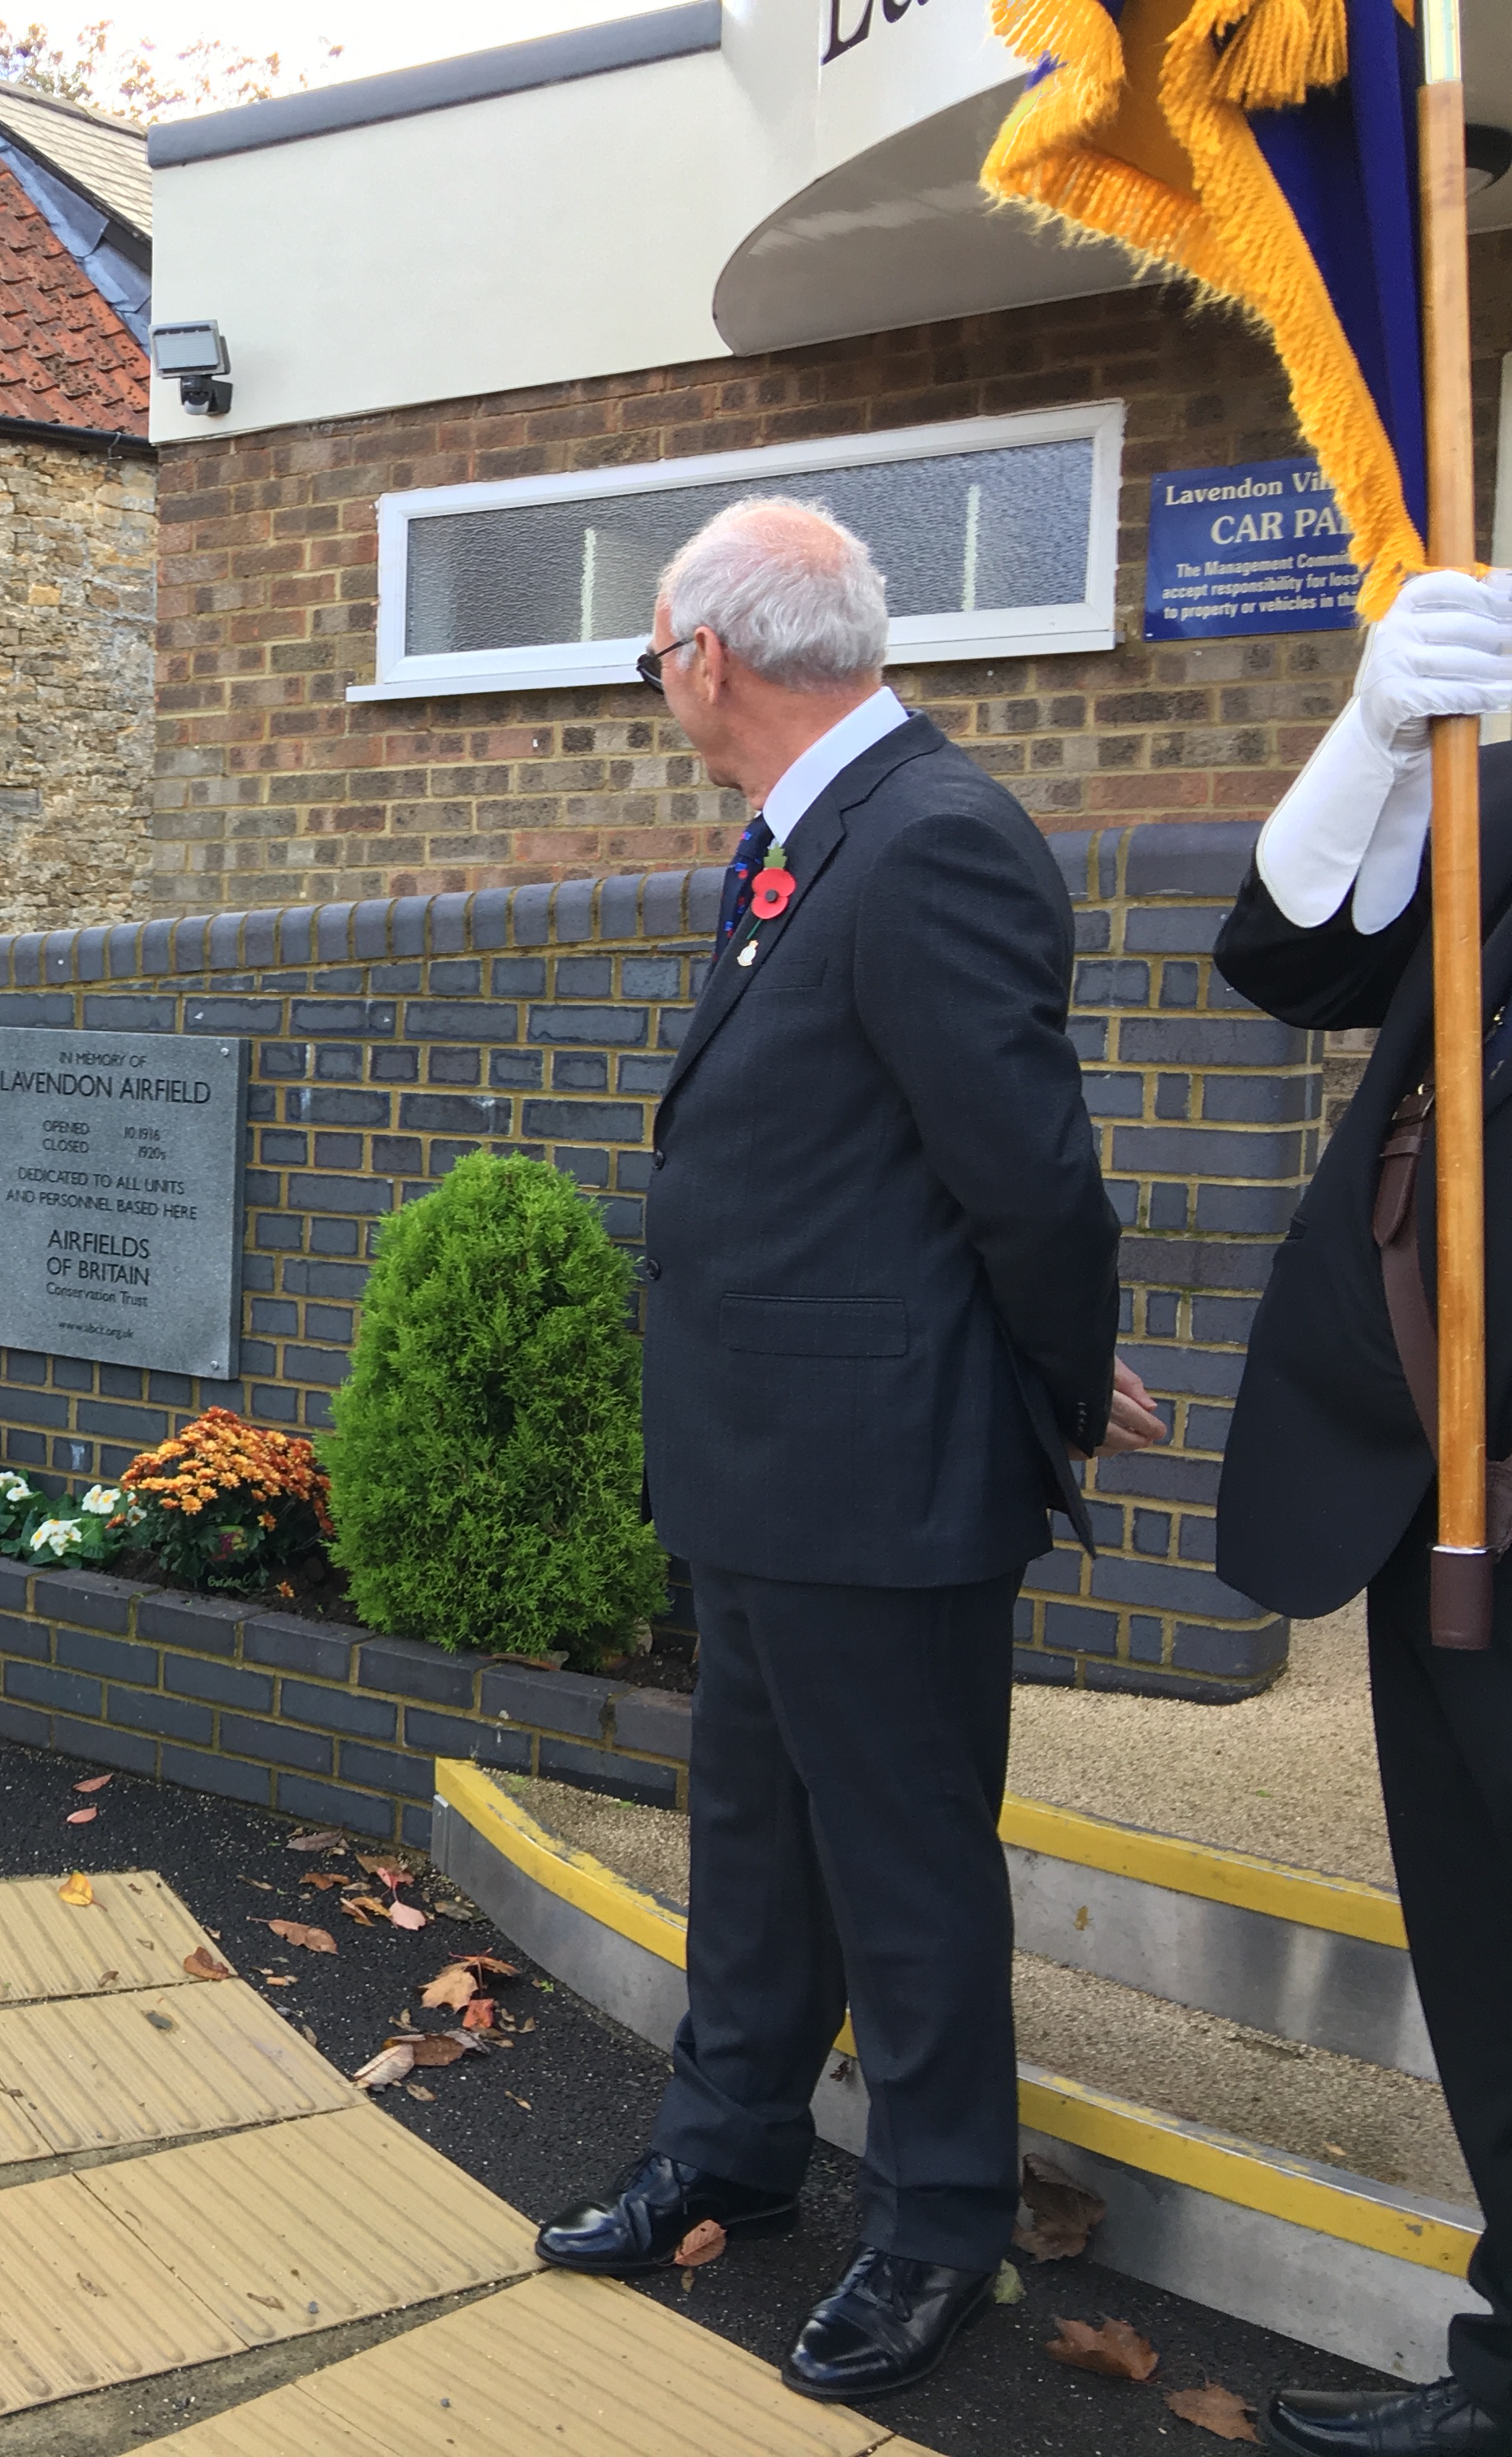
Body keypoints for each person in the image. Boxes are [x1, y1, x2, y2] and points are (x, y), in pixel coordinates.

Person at [531, 498, 1163, 2401]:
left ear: (707, 657)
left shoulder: (931, 837)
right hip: (766, 1463)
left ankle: (944, 2222)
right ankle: (734, 2148)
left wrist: (1062, 1378)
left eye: (652, 656)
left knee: (905, 1871)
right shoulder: (804, 841)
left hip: (884, 1478)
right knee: (754, 1836)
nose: (657, 688)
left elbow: (1030, 1178)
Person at [1211, 567, 1512, 2457]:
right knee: (1486, 1961)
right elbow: (1292, 959)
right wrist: (1380, 736)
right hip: (1444, 1503)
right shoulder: (1502, 785)